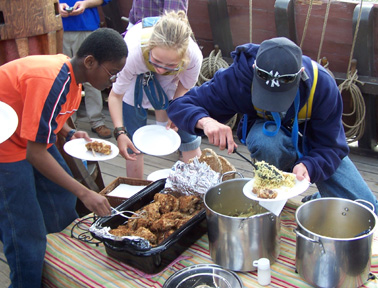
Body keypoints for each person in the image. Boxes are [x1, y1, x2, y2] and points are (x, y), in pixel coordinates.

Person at [167, 37, 378, 212]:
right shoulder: (239, 78)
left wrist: (310, 165)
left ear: (300, 77)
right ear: (254, 69)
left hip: (316, 146)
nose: (274, 104)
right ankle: (272, 197)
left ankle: (319, 196)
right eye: (266, 95)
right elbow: (179, 106)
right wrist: (206, 121)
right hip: (271, 141)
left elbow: (332, 147)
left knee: (368, 208)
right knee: (267, 142)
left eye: (280, 97)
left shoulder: (322, 86)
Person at [0, 28, 128, 287]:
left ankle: (60, 263)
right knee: (25, 230)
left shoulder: (72, 77)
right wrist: (85, 192)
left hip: (26, 137)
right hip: (6, 145)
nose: (113, 80)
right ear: (90, 62)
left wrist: (68, 131)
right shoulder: (51, 80)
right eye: (112, 72)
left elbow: (47, 117)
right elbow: (35, 153)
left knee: (60, 196)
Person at [108, 10, 202, 179]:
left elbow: (185, 86)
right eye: (157, 62)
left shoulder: (194, 56)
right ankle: (135, 187)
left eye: (169, 64)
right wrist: (120, 132)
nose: (160, 69)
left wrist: (176, 108)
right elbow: (115, 96)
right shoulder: (131, 52)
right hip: (133, 83)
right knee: (132, 138)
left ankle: (196, 183)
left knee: (187, 132)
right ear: (150, 48)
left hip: (171, 83)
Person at [59, 0, 114, 139]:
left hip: (86, 26)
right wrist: (55, 7)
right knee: (63, 77)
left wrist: (85, 3)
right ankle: (68, 123)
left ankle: (97, 121)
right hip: (57, 27)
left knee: (93, 75)